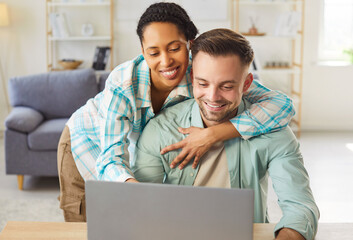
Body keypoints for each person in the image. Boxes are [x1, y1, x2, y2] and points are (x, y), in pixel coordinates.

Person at [57, 2, 295, 222]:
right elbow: (110, 159)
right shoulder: (122, 84)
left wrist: (213, 134)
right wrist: (133, 187)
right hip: (86, 140)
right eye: (153, 52)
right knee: (90, 221)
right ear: (142, 49)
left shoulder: (202, 72)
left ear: (189, 43)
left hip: (127, 146)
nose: (166, 61)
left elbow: (282, 106)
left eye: (174, 48)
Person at [132, 28, 319, 240]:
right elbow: (141, 209)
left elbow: (300, 207)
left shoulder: (274, 133)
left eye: (227, 86)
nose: (213, 97)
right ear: (192, 78)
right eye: (203, 84)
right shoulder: (161, 130)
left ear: (246, 84)